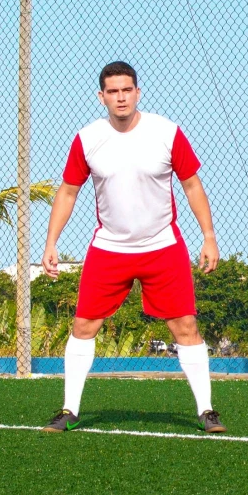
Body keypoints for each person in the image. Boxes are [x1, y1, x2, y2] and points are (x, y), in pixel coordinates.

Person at [40, 61, 225, 434]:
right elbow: (69, 191)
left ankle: (206, 411)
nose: (120, 97)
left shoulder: (166, 132)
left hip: (163, 247)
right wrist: (51, 241)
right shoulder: (87, 138)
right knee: (83, 324)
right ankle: (69, 410)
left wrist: (208, 236)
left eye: (127, 90)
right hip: (109, 248)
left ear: (138, 92)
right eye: (113, 91)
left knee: (185, 325)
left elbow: (192, 185)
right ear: (101, 96)